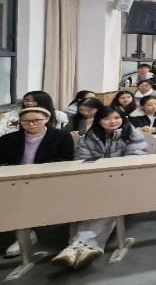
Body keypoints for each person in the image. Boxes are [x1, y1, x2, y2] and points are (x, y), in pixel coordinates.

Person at [51, 106, 147, 269]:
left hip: (124, 181)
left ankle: (80, 244)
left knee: (104, 204)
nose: (112, 121)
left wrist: (107, 174)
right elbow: (81, 159)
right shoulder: (91, 135)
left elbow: (134, 161)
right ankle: (79, 247)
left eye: (116, 118)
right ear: (99, 121)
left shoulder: (133, 134)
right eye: (106, 118)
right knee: (82, 203)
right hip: (96, 180)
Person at [0, 107, 74, 258]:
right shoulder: (8, 139)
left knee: (21, 198)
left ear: (46, 119)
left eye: (36, 120)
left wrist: (36, 172)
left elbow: (65, 160)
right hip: (14, 179)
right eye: (26, 121)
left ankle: (25, 233)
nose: (31, 124)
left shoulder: (61, 137)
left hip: (46, 179)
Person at [0, 91, 69, 135]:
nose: (29, 103)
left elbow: (58, 133)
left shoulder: (60, 115)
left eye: (34, 101)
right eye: (27, 100)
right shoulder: (10, 114)